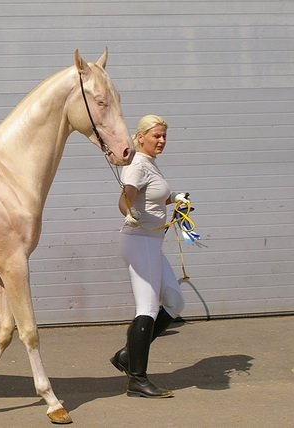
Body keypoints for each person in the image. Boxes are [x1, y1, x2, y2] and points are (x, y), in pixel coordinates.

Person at [110, 114, 188, 398]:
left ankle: (127, 356)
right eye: (156, 135)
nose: (162, 140)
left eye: (164, 136)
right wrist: (129, 213)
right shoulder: (137, 165)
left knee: (176, 302)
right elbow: (125, 199)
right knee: (148, 308)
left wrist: (176, 199)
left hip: (152, 242)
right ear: (140, 137)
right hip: (139, 240)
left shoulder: (151, 165)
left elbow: (156, 196)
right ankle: (137, 380)